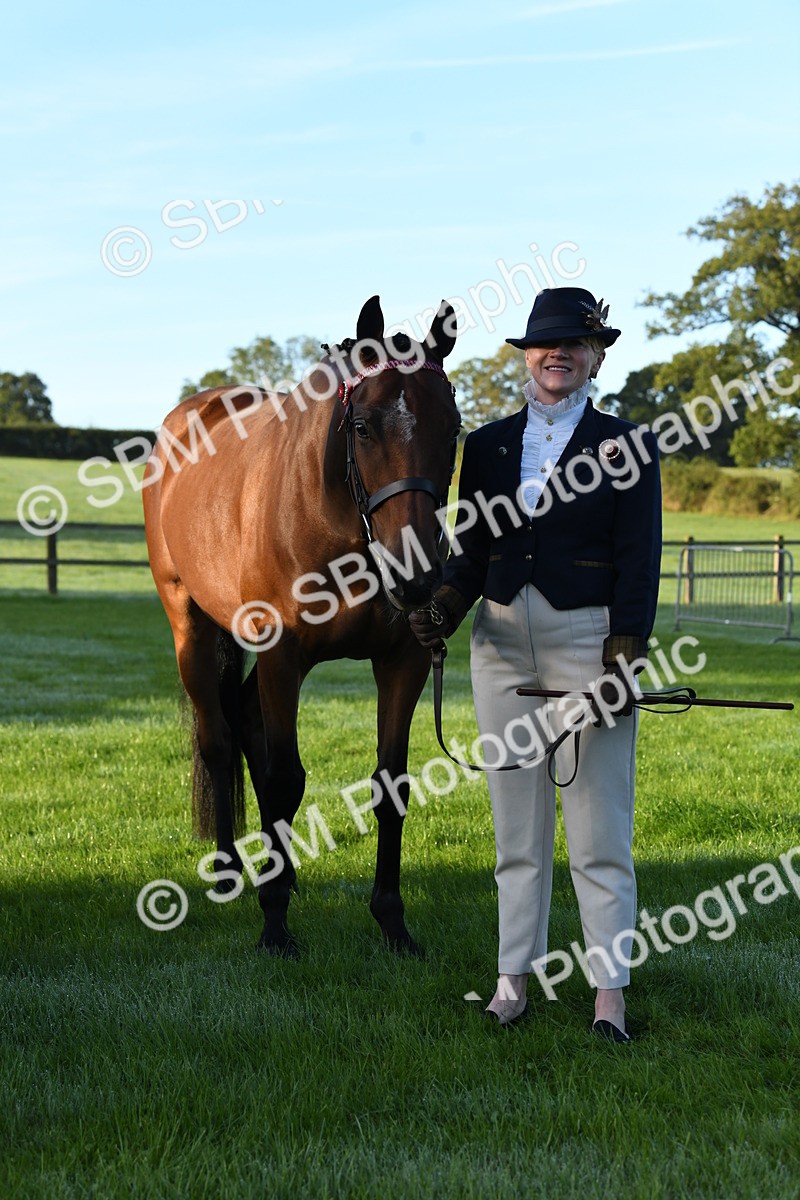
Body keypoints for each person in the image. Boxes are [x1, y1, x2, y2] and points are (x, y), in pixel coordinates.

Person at [411, 287, 662, 1041]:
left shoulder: (626, 445)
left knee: (598, 827)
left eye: (575, 344)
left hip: (588, 643)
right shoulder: (484, 446)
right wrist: (445, 611)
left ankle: (608, 995)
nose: (559, 353)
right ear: (527, 354)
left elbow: (638, 559)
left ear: (595, 357)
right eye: (545, 342)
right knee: (514, 829)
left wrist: (623, 653)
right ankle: (511, 981)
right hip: (498, 644)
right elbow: (473, 553)